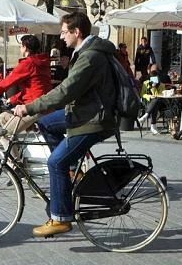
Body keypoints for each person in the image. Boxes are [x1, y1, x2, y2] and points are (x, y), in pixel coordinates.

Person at [13, 12, 117, 237]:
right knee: (47, 123)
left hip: (94, 120)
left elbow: (65, 91)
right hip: (85, 112)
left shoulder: (90, 57)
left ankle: (60, 218)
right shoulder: (84, 53)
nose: (61, 37)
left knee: (54, 162)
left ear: (76, 32)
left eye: (63, 32)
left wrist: (29, 107)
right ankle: (70, 172)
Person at [0, 35, 52, 146]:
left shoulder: (28, 63)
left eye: (21, 46)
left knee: (4, 134)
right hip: (43, 103)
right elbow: (33, 88)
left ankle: (15, 163)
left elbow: (7, 82)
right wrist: (13, 99)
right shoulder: (41, 61)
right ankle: (15, 151)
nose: (20, 49)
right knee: (3, 117)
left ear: (26, 48)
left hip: (34, 107)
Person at [138, 69, 167, 135]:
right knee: (155, 104)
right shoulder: (146, 83)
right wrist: (149, 96)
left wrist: (153, 87)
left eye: (156, 78)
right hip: (147, 103)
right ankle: (153, 126)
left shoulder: (162, 85)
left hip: (159, 103)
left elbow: (160, 96)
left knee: (156, 100)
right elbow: (142, 94)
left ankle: (145, 116)